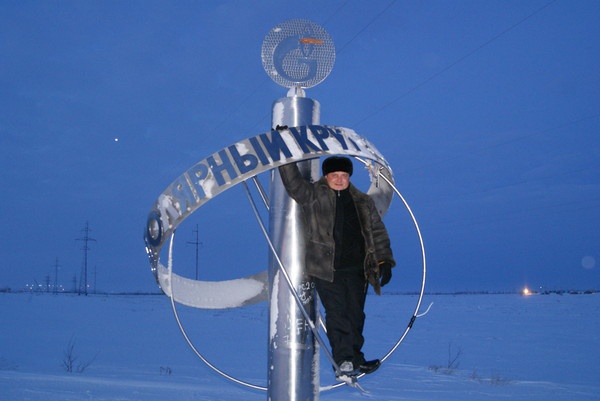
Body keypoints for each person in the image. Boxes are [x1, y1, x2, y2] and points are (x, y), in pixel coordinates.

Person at [278, 155, 395, 379]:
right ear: (326, 176)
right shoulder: (313, 195)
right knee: (338, 314)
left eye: (344, 176)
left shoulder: (362, 201)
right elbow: (293, 185)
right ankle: (343, 361)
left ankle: (356, 358)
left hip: (358, 269)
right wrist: (286, 156)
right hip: (326, 269)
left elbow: (377, 232)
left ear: (349, 176)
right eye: (335, 175)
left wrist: (384, 261)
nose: (340, 180)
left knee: (355, 315)